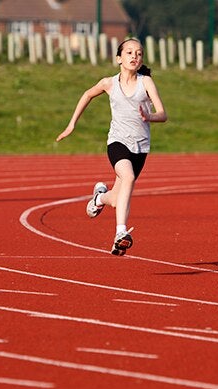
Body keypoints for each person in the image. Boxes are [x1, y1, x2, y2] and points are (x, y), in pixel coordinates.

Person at [55, 38, 167, 256]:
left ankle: (99, 198)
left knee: (116, 199)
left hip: (140, 148)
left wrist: (149, 116)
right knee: (128, 178)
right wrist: (71, 124)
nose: (135, 56)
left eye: (139, 53)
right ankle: (120, 233)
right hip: (117, 143)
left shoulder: (146, 83)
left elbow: (163, 115)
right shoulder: (109, 83)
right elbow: (87, 94)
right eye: (129, 52)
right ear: (119, 58)